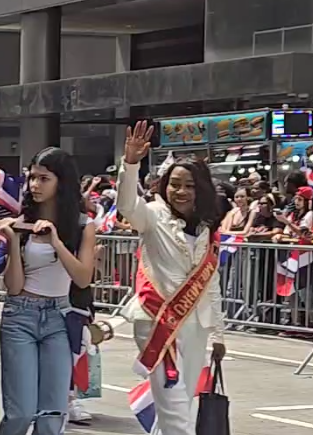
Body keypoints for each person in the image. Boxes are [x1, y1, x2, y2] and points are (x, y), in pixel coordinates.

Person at [117, 120, 226, 435]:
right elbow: (126, 204)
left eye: (189, 185)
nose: (180, 191)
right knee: (177, 416)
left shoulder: (207, 229)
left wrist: (218, 334)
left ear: (200, 189)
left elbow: (211, 285)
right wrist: (131, 162)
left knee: (178, 408)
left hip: (196, 328)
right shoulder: (152, 215)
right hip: (157, 324)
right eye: (175, 184)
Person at [0, 147, 98, 435]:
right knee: (20, 413)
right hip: (20, 316)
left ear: (61, 182)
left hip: (60, 318)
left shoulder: (82, 225)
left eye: (44, 178)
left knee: (52, 416)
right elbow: (13, 287)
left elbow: (83, 277)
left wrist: (56, 242)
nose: (34, 185)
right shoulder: (22, 221)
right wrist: (13, 241)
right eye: (32, 178)